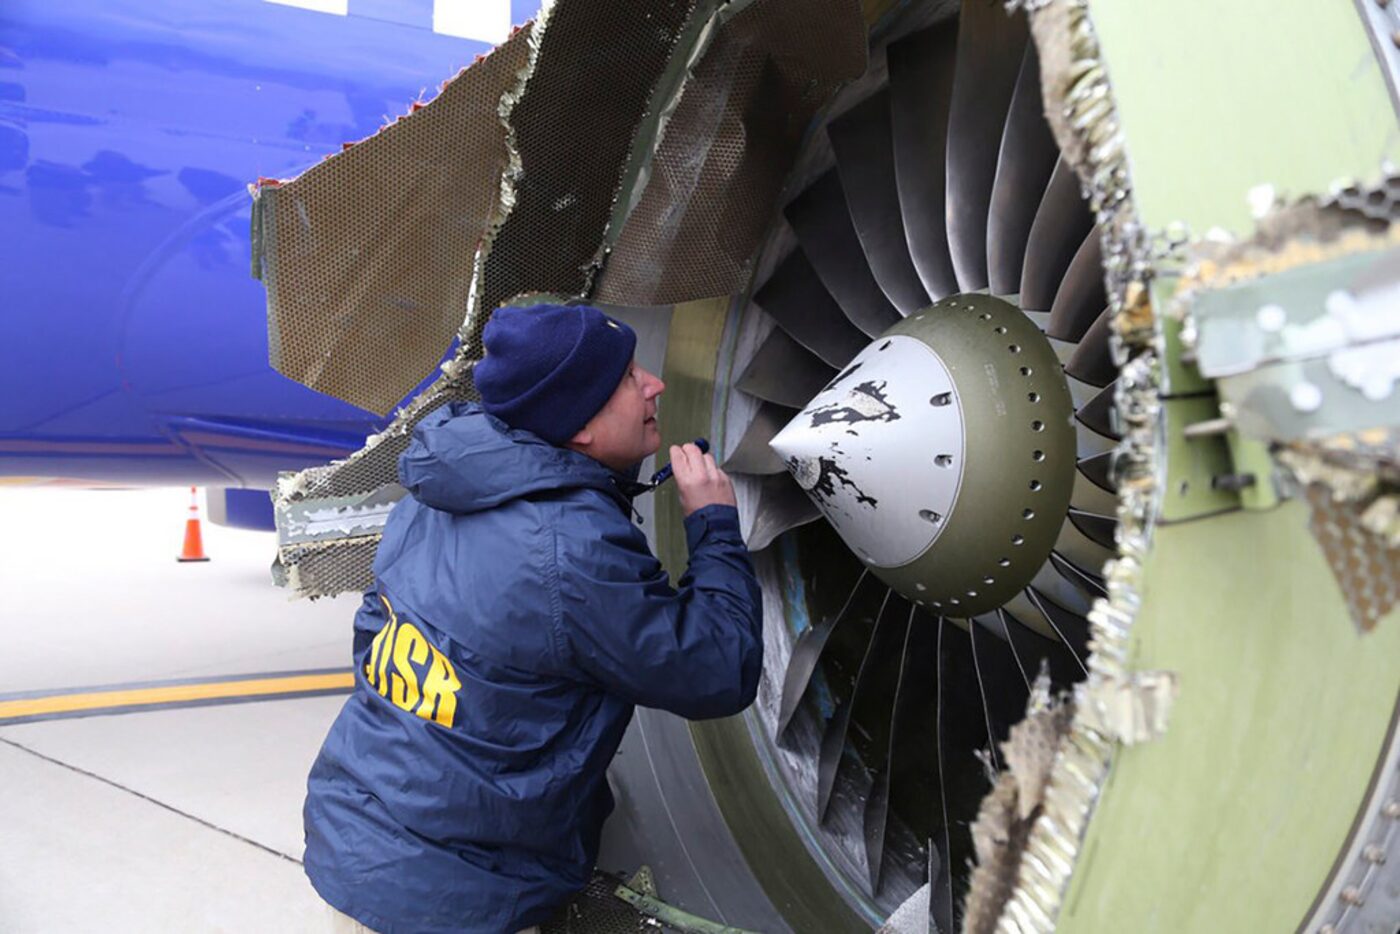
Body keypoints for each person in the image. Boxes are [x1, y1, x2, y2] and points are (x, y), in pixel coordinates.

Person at [302, 303, 764, 933]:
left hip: (355, 842)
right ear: (578, 427)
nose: (654, 383)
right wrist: (712, 525)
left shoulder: (440, 486)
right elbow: (718, 668)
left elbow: (373, 632)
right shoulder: (571, 549)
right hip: (452, 902)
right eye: (628, 378)